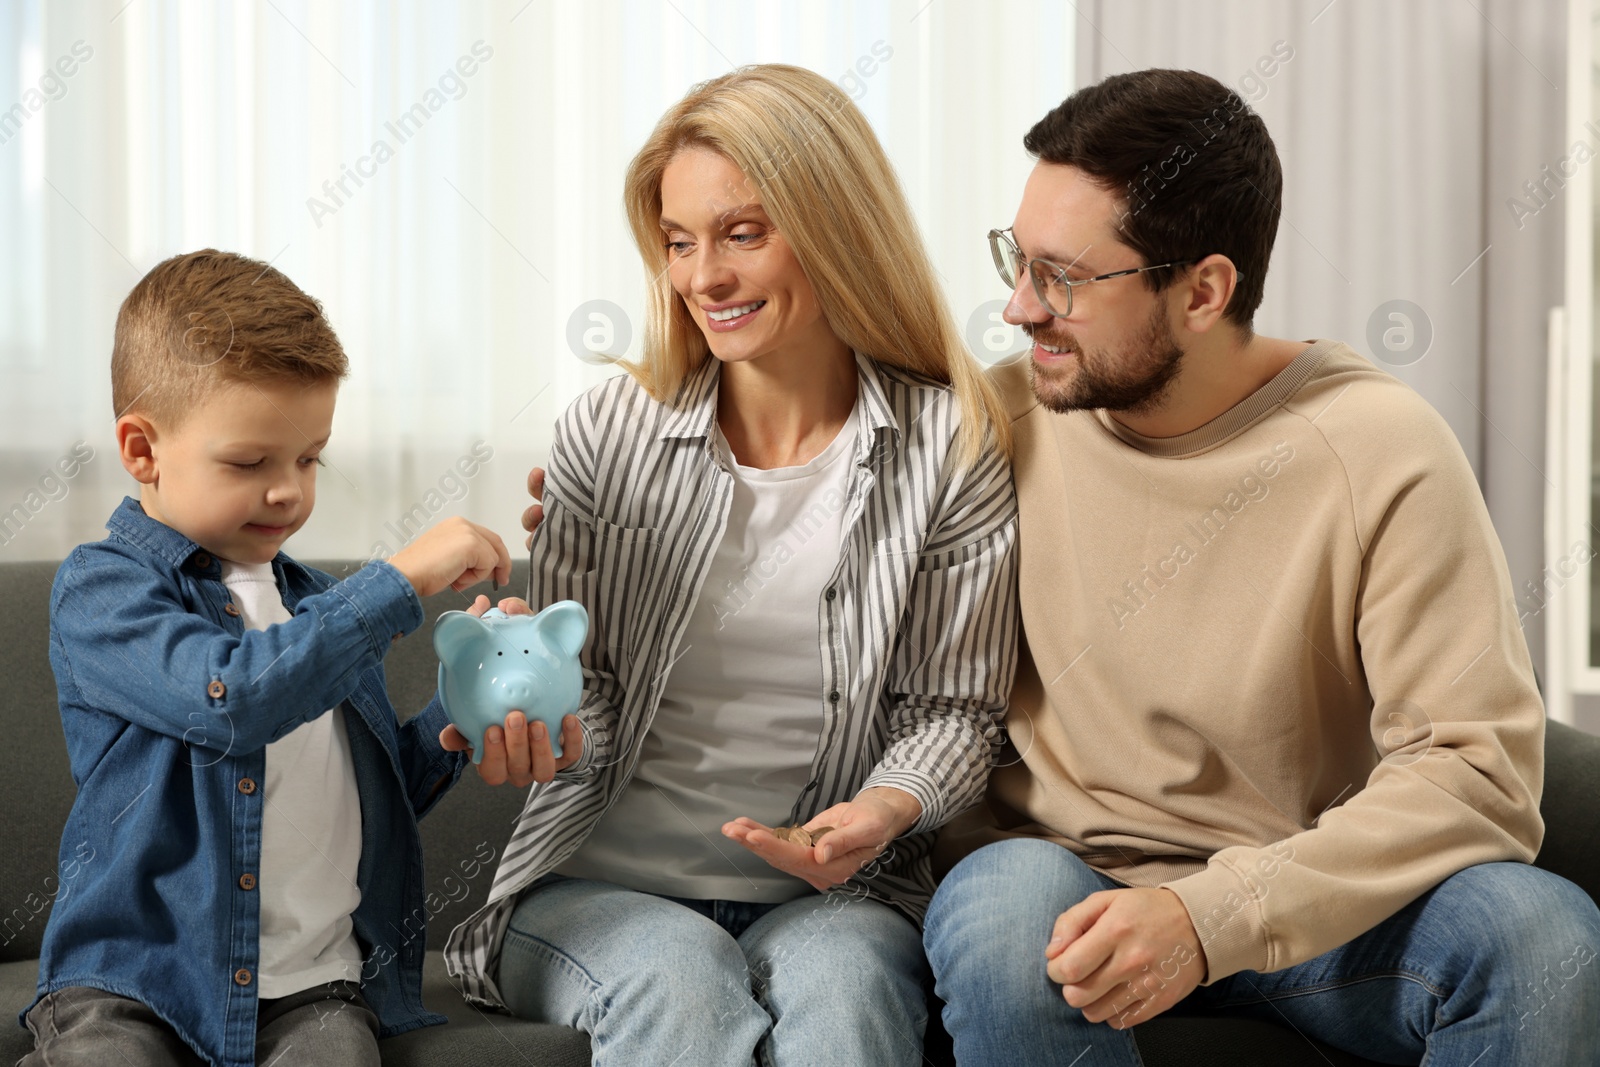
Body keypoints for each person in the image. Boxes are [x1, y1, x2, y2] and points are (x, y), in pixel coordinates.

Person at [923, 68, 1600, 1065]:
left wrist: (1210, 915)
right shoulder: (998, 422)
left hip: (1317, 901)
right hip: (1069, 881)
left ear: (1202, 290)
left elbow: (1476, 772)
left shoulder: (1379, 447)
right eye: (1015, 261)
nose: (1021, 309)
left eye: (1064, 276)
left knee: (1538, 935)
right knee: (1002, 920)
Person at [443, 64, 1020, 1066]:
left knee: (845, 1002)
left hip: (836, 895)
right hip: (602, 883)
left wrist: (881, 810)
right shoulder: (609, 432)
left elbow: (952, 711)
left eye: (742, 233)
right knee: (682, 990)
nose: (701, 276)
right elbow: (594, 683)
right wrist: (538, 724)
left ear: (837, 226)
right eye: (678, 241)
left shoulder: (950, 444)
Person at [23, 249, 513, 1067]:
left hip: (313, 985)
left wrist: (464, 707)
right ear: (142, 450)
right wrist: (395, 581)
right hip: (135, 979)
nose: (288, 490)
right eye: (250, 462)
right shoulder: (101, 590)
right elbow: (230, 699)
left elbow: (372, 786)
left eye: (308, 456)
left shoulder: (315, 604)